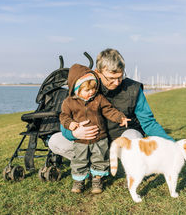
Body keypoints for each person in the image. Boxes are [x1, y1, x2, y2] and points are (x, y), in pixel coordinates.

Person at [48, 48, 174, 182]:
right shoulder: (84, 87)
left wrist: (171, 145)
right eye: (111, 78)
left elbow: (148, 123)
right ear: (98, 72)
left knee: (134, 136)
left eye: (121, 77)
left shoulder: (133, 89)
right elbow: (65, 121)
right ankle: (96, 167)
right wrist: (75, 134)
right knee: (55, 141)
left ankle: (132, 169)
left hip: (120, 140)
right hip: (90, 142)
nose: (117, 82)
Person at [60, 63, 130, 194]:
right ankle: (79, 181)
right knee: (79, 160)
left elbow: (109, 110)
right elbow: (63, 116)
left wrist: (120, 117)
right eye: (87, 90)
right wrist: (70, 124)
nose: (91, 92)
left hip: (99, 137)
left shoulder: (98, 98)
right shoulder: (69, 102)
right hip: (80, 140)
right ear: (76, 89)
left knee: (100, 158)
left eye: (93, 88)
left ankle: (97, 180)